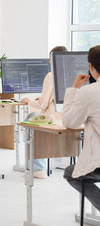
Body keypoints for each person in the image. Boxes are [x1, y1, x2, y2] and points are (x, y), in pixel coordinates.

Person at [21, 46, 67, 179]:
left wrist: (29, 101)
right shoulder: (73, 74)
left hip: (53, 118)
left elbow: (43, 104)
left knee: (31, 119)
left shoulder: (50, 75)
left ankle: (37, 168)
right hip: (67, 116)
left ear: (52, 58)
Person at [63, 45, 100, 211]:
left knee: (71, 174)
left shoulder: (89, 93)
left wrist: (74, 89)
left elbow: (69, 122)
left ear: (91, 66)